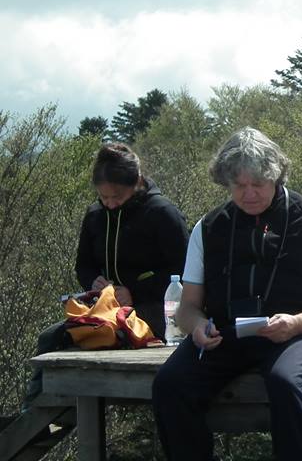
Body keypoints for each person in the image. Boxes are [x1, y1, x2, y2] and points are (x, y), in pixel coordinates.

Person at [152, 128, 302, 461]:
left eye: (257, 184)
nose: (248, 195)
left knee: (285, 383)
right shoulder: (208, 226)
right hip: (225, 335)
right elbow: (187, 306)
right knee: (169, 384)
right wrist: (197, 327)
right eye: (239, 186)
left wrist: (298, 322)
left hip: (296, 334)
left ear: (276, 177)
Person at [24, 143, 188, 405]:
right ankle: (35, 406)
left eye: (117, 197)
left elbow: (183, 269)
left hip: (155, 307)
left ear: (136, 182)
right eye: (104, 197)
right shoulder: (94, 216)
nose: (110, 204)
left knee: (108, 333)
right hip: (105, 308)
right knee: (50, 337)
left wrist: (133, 291)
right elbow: (84, 264)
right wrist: (93, 282)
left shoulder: (162, 213)